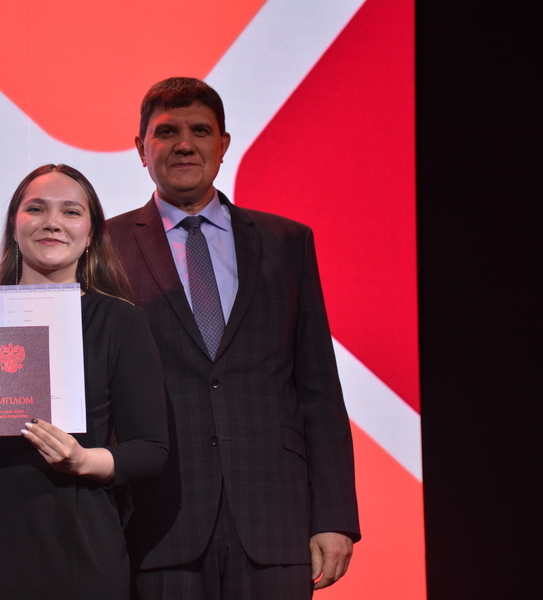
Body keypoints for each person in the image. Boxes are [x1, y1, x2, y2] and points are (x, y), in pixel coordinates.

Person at [107, 77, 360, 599]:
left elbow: (318, 388)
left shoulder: (287, 242)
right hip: (155, 522)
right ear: (140, 148)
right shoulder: (105, 247)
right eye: (166, 132)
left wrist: (334, 516)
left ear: (223, 145)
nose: (184, 144)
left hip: (275, 518)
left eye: (200, 131)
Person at [0, 164, 168, 600]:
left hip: (79, 546)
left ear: (91, 234)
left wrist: (81, 460)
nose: (52, 222)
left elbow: (150, 450)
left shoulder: (120, 321)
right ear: (14, 227)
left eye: (71, 211)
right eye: (36, 209)